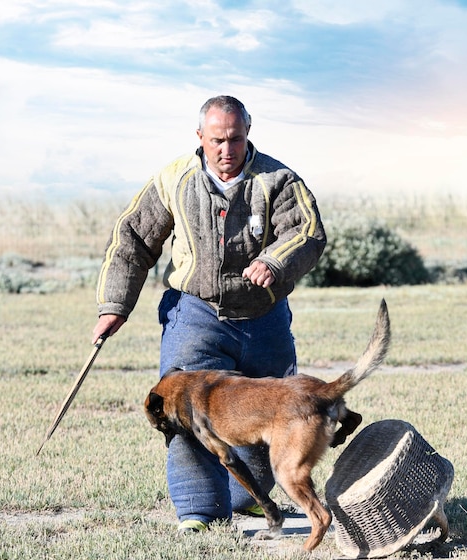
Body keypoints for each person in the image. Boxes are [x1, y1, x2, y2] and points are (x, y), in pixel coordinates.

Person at [92, 95, 326, 532]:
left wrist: (274, 261)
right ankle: (199, 512)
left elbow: (308, 232)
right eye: (217, 139)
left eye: (235, 139)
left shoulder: (278, 179)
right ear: (200, 137)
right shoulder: (173, 179)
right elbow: (133, 240)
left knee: (267, 414)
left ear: (248, 133)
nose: (226, 149)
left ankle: (247, 497)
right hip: (195, 316)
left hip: (264, 318)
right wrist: (114, 306)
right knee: (183, 412)